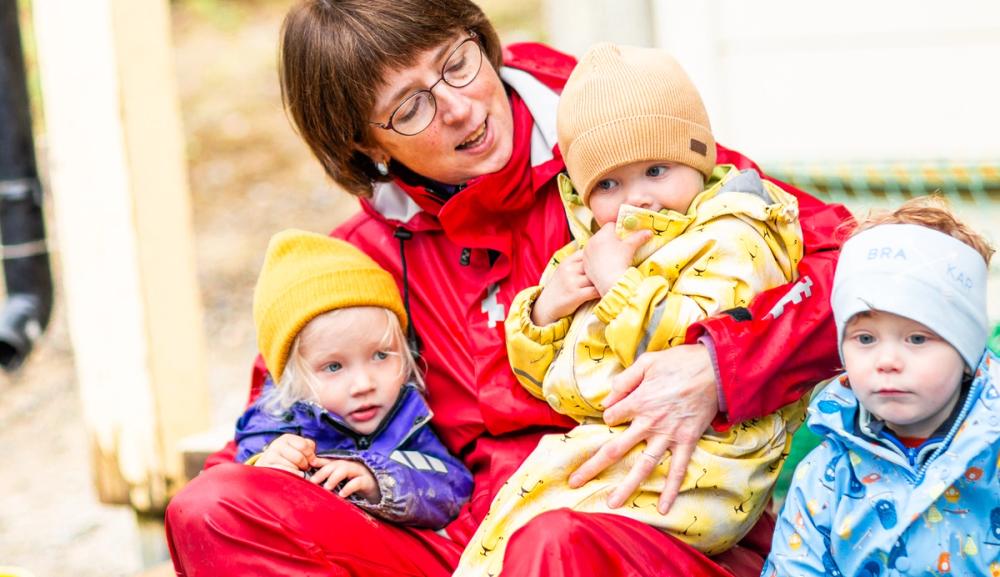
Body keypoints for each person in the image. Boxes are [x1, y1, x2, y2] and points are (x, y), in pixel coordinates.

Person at [165, 1, 853, 575]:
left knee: (549, 545)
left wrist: (722, 362)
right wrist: (272, 459)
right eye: (411, 108)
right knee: (211, 507)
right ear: (364, 148)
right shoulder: (360, 259)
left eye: (457, 63)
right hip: (456, 532)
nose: (462, 109)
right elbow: (277, 417)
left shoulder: (622, 157)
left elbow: (857, 260)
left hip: (640, 522)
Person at [455, 43, 808, 577]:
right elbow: (545, 379)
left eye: (657, 169)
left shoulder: (734, 235)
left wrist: (617, 284)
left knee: (536, 536)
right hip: (620, 443)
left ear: (699, 159)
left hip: (704, 461)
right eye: (609, 184)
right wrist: (547, 311)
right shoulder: (598, 248)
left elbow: (680, 353)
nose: (638, 199)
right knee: (508, 534)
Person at [762, 197, 998, 576]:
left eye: (917, 339)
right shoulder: (828, 473)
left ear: (967, 347)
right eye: (866, 339)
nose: (887, 361)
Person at [232, 229, 472, 529]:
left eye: (381, 356)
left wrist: (379, 481)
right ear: (291, 379)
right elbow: (237, 491)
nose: (363, 385)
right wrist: (263, 467)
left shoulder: (405, 419)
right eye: (333, 367)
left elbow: (455, 488)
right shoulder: (276, 425)